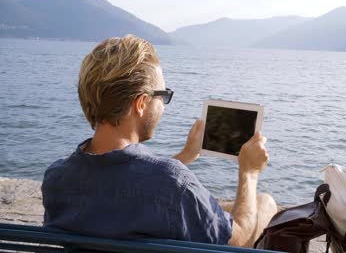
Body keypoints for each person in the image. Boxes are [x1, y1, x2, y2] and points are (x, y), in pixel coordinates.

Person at [41, 35, 277, 247]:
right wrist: (249, 172)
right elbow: (237, 239)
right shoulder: (172, 184)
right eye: (163, 96)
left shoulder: (57, 179)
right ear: (141, 103)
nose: (163, 106)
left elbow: (119, 185)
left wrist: (186, 155)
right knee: (264, 203)